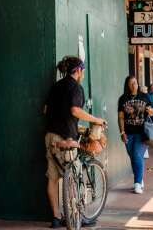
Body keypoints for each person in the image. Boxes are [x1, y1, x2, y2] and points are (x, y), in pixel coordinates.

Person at [43, 56, 106, 228]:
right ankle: (76, 216)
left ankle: (56, 218)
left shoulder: (56, 86)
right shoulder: (76, 87)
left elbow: (46, 109)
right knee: (74, 172)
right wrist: (96, 120)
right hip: (66, 138)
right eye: (82, 70)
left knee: (53, 178)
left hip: (50, 136)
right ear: (78, 70)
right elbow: (75, 110)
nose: (83, 74)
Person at [117, 75, 153, 194]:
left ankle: (137, 183)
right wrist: (122, 132)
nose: (134, 85)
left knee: (136, 155)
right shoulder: (123, 99)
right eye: (131, 83)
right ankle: (139, 178)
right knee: (133, 157)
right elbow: (121, 117)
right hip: (128, 133)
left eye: (135, 83)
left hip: (142, 132)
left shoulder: (144, 97)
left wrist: (151, 111)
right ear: (127, 86)